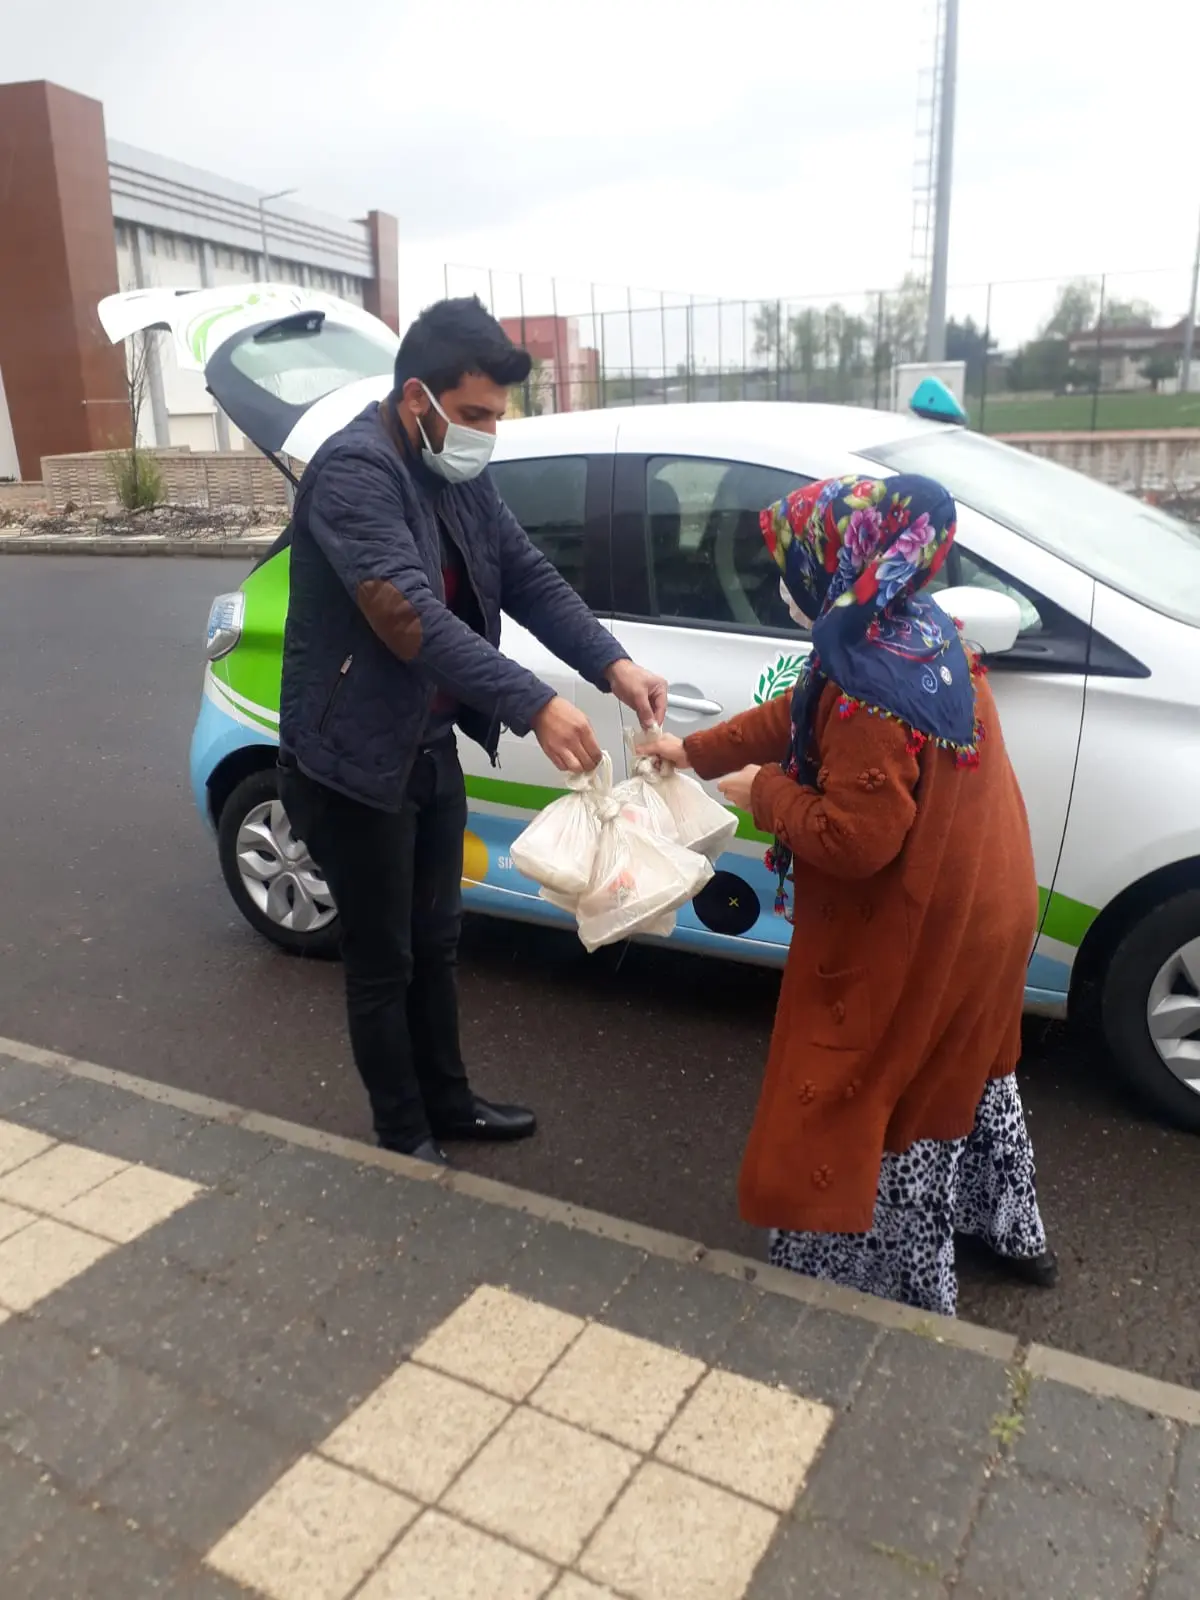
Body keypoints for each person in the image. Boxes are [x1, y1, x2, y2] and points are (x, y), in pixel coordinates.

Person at [640, 473, 1055, 1316]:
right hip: (985, 903)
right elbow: (798, 710)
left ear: (835, 567)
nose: (785, 587)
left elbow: (855, 842)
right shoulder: (906, 629)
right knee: (959, 1069)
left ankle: (882, 1280)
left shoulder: (868, 686)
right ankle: (1000, 1223)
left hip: (921, 924)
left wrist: (762, 793)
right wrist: (693, 752)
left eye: (792, 567)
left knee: (866, 1083)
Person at [277, 297, 666, 1165]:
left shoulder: (455, 472)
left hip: (424, 746)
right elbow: (408, 618)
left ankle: (448, 1102)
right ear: (419, 398)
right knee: (384, 959)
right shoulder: (353, 474)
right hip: (351, 761)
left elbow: (525, 575)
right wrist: (533, 702)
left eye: (497, 416)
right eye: (476, 415)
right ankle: (402, 1131)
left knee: (438, 938)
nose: (489, 432)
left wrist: (613, 665)